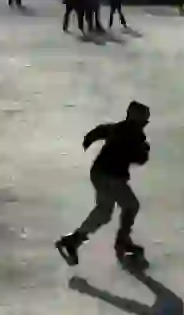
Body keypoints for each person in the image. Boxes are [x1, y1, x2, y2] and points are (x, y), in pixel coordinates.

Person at [55, 101, 151, 267]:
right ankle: (122, 241)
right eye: (144, 119)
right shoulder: (132, 133)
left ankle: (73, 240)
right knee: (130, 205)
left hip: (100, 173)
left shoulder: (120, 128)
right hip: (110, 176)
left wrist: (89, 138)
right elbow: (138, 156)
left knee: (104, 211)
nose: (145, 123)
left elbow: (102, 130)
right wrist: (143, 151)